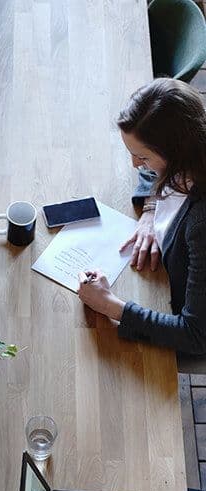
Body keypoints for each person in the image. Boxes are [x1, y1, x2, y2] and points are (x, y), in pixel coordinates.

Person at [77, 78, 206, 355]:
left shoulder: (201, 225)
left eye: (143, 157)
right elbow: (153, 172)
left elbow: (195, 335)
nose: (136, 165)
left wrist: (110, 305)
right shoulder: (192, 145)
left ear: (175, 153)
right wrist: (150, 209)